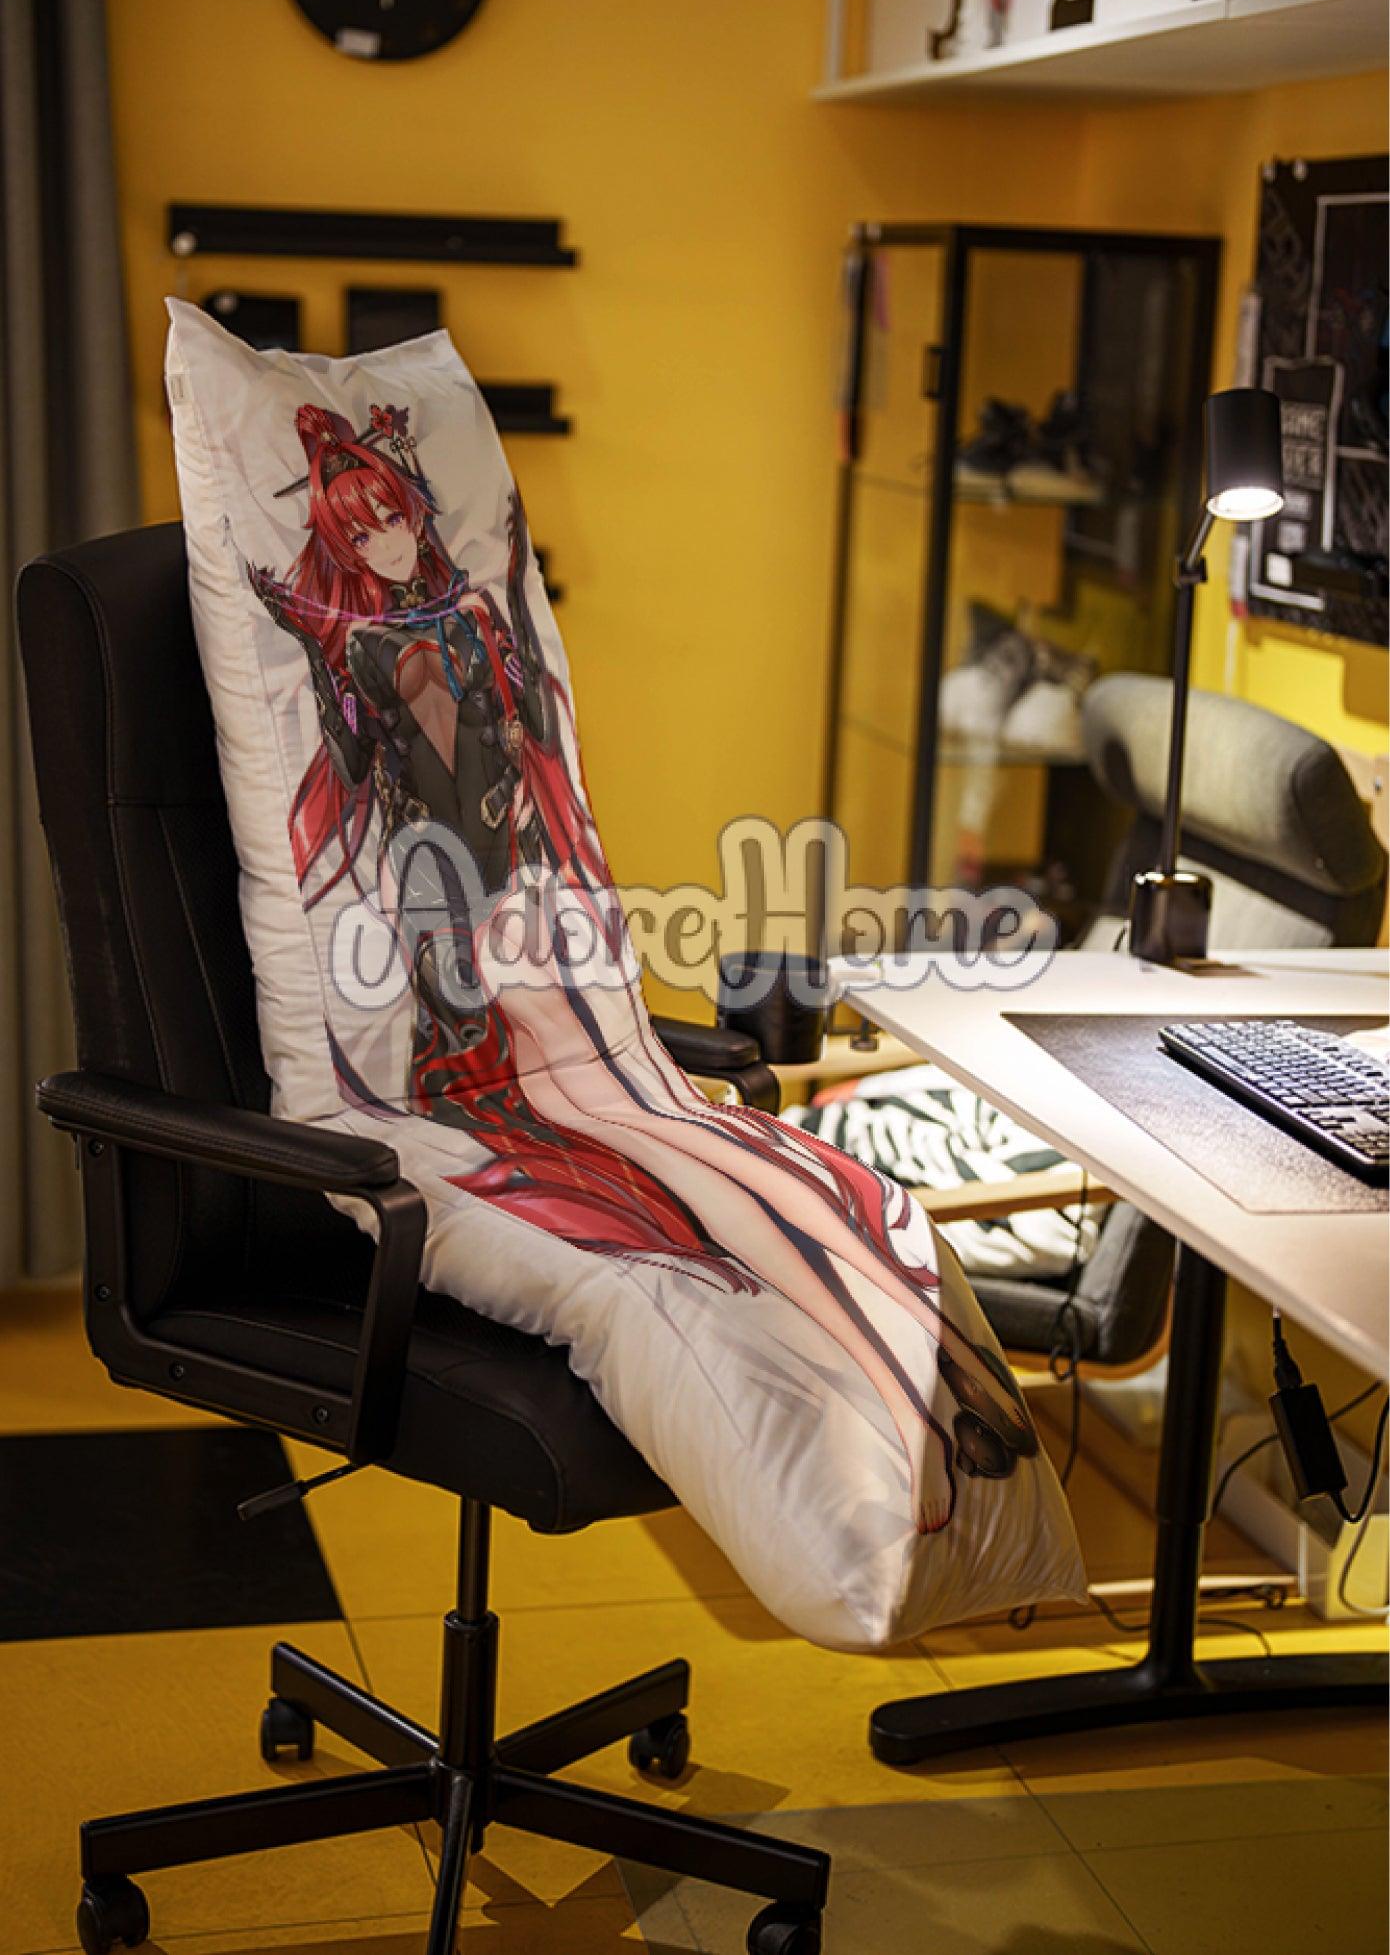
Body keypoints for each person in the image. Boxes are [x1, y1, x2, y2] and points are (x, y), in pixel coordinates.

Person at [248, 401, 1036, 1535]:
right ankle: (912, 1399)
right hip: (468, 964)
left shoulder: (460, 627)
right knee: (692, 1176)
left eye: (393, 515)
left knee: (733, 1170)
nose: (387, 540)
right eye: (360, 529)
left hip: (525, 939)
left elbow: (506, 790)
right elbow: (406, 805)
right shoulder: (381, 651)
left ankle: (916, 1397)